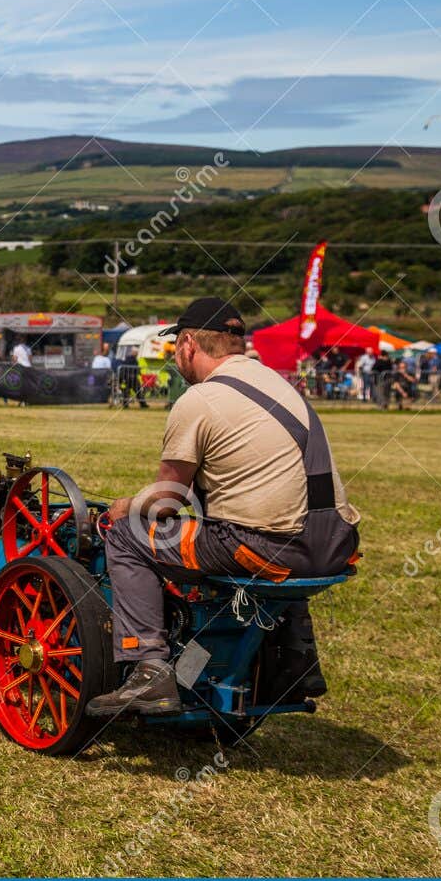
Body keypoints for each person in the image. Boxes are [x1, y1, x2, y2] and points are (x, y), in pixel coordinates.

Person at [89, 297, 360, 718]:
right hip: (336, 545)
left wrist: (125, 505)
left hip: (267, 548)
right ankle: (296, 660)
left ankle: (149, 668)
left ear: (189, 344)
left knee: (128, 536)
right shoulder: (279, 385)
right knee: (275, 524)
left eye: (175, 346)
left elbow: (166, 501)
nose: (175, 356)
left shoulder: (200, 399)